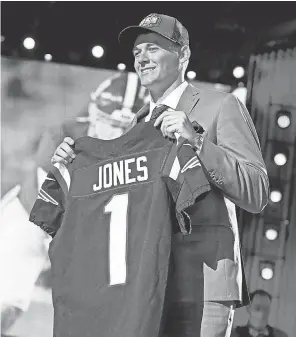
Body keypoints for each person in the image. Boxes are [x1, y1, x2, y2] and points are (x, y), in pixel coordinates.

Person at [50, 13, 270, 337]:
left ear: (183, 55)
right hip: (147, 286)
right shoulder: (135, 127)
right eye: (137, 52)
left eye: (152, 48)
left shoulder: (221, 105)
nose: (142, 58)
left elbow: (258, 192)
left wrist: (197, 141)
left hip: (204, 283)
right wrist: (70, 167)